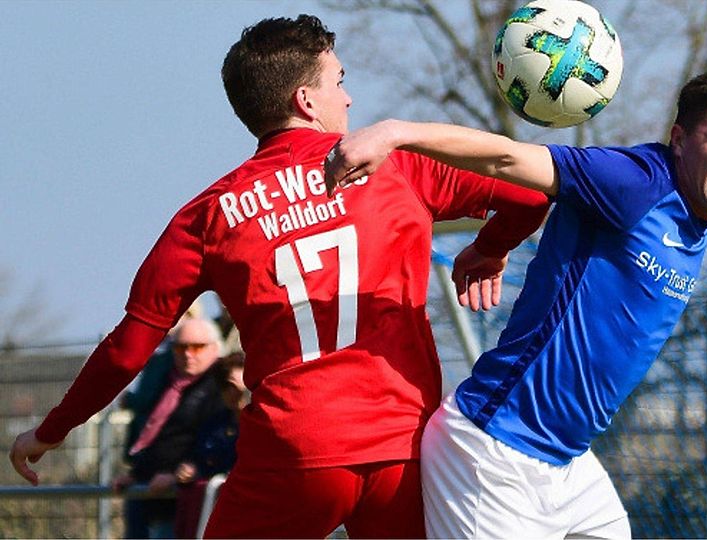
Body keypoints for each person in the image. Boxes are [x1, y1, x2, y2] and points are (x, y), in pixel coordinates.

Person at [8, 14, 552, 539]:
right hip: (402, 448)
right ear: (305, 100)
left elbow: (127, 350)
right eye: (339, 80)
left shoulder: (207, 215)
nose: (348, 98)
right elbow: (530, 196)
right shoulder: (398, 165)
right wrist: (489, 249)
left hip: (294, 453)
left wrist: (52, 431)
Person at [325, 63, 707, 538]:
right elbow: (507, 159)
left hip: (569, 465)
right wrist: (396, 133)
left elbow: (672, 215)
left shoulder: (696, 203)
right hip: (494, 455)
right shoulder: (632, 181)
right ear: (680, 139)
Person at [112, 317, 227, 539]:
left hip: (186, 500)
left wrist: (182, 472)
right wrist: (137, 474)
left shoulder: (220, 388)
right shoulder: (166, 382)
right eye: (180, 347)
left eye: (197, 347)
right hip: (150, 490)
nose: (188, 354)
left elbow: (215, 438)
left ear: (215, 348)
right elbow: (155, 430)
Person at [174, 352, 247, 539]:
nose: (234, 393)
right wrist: (192, 469)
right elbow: (201, 457)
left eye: (241, 386)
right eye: (227, 386)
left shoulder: (266, 424)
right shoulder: (214, 425)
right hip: (213, 513)